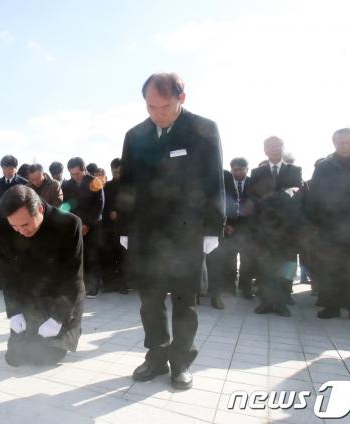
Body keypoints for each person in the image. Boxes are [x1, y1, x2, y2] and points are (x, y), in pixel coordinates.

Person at [119, 73, 225, 390]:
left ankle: (180, 361)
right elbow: (127, 185)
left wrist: (212, 229)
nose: (157, 114)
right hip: (146, 233)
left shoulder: (203, 130)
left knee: (184, 301)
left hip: (186, 232)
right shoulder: (135, 135)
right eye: (151, 107)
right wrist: (124, 228)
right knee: (149, 301)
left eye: (164, 106)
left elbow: (213, 182)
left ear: (182, 98)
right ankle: (156, 355)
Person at [0, 185, 85, 367]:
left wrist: (57, 318)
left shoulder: (68, 224)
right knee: (14, 358)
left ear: (40, 209)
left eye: (25, 224)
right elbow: (7, 275)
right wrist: (14, 312)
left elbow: (72, 277)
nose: (21, 231)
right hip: (31, 298)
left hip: (62, 298)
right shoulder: (6, 228)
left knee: (43, 358)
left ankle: (67, 332)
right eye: (14, 226)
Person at [307, 128, 350, 321]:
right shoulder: (324, 167)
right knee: (329, 270)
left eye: (348, 142)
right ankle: (331, 307)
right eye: (340, 143)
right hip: (329, 229)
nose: (345, 146)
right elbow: (313, 197)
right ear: (334, 144)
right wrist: (315, 224)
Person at [247, 136, 303, 307]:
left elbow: (295, 193)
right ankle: (265, 298)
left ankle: (285, 294)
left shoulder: (294, 170)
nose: (273, 149)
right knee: (265, 263)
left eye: (277, 145)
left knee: (288, 263)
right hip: (265, 227)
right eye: (269, 146)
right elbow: (253, 197)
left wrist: (270, 198)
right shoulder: (257, 172)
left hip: (287, 227)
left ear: (283, 147)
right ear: (265, 150)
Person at [206, 158, 255, 309]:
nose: (238, 172)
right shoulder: (225, 181)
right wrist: (227, 224)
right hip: (229, 228)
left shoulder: (253, 183)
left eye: (241, 169)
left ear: (247, 169)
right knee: (230, 260)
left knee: (247, 260)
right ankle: (230, 288)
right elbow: (221, 203)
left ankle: (246, 288)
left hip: (247, 228)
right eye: (235, 169)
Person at [61, 157, 104, 298]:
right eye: (72, 174)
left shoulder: (95, 182)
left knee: (93, 256)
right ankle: (82, 285)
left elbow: (99, 206)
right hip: (76, 226)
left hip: (93, 226)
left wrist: (87, 225)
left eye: (77, 173)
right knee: (80, 257)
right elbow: (66, 205)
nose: (75, 177)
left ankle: (95, 286)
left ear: (84, 170)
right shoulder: (67, 185)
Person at [0, 155, 28, 290]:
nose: (8, 171)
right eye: (5, 168)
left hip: (18, 225)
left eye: (11, 168)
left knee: (18, 252)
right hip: (1, 224)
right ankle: (3, 281)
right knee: (3, 253)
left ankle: (18, 282)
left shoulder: (23, 183)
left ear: (15, 168)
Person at [101, 158, 127, 294]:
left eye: (119, 171)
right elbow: (103, 204)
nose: (117, 174)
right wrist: (110, 212)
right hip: (109, 228)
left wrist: (119, 213)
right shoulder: (106, 186)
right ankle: (109, 285)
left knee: (123, 256)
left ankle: (123, 285)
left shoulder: (128, 185)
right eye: (114, 171)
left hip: (124, 228)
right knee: (109, 256)